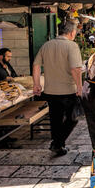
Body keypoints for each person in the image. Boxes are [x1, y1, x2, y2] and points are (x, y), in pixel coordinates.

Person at [33, 21, 83, 156]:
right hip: (68, 90)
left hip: (50, 91)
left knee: (55, 119)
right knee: (72, 118)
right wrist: (79, 87)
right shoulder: (72, 46)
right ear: (72, 32)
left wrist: (36, 84)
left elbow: (36, 65)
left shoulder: (46, 45)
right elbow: (75, 69)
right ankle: (57, 143)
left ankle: (58, 145)